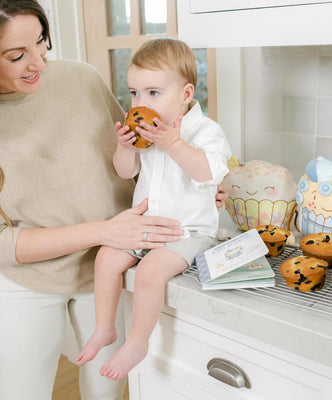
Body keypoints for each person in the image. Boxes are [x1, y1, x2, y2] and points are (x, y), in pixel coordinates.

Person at [0, 2, 228, 399]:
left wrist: (202, 186)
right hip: (28, 280)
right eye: (17, 56)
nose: (38, 63)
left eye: (41, 43)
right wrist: (104, 231)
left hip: (108, 269)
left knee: (106, 391)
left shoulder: (81, 79)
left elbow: (140, 158)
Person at [76, 38, 232, 381]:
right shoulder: (144, 133)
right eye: (134, 93)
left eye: (153, 93)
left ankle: (137, 342)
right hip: (145, 228)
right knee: (105, 257)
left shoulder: (206, 132)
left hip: (186, 233)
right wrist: (124, 148)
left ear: (186, 93)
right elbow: (125, 172)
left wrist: (174, 144)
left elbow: (208, 172)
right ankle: (105, 328)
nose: (140, 103)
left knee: (148, 273)